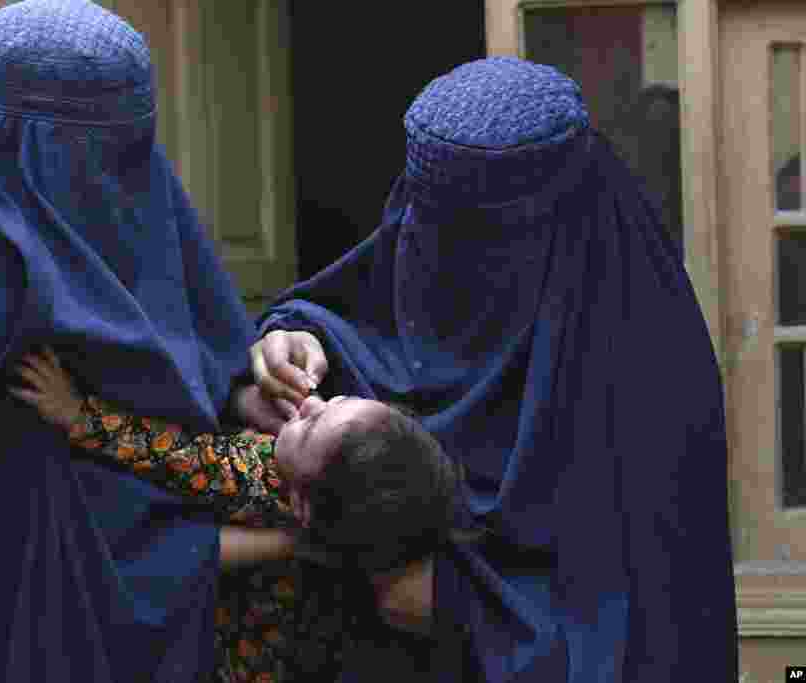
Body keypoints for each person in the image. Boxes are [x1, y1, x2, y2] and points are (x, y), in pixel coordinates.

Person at [240, 57, 737, 681]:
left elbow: (653, 623)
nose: (431, 249)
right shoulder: (415, 253)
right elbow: (354, 311)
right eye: (423, 218)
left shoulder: (647, 378)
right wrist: (292, 335)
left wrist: (469, 611)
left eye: (472, 236)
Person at [0, 2, 278, 681]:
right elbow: (105, 545)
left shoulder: (3, 197)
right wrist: (289, 541)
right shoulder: (2, 300)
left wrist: (261, 367)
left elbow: (205, 343)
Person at [8, 346, 474, 681]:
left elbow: (173, 454)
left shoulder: (258, 473)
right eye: (333, 401)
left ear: (301, 504)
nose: (310, 401)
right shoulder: (369, 538)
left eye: (310, 427)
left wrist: (75, 414)